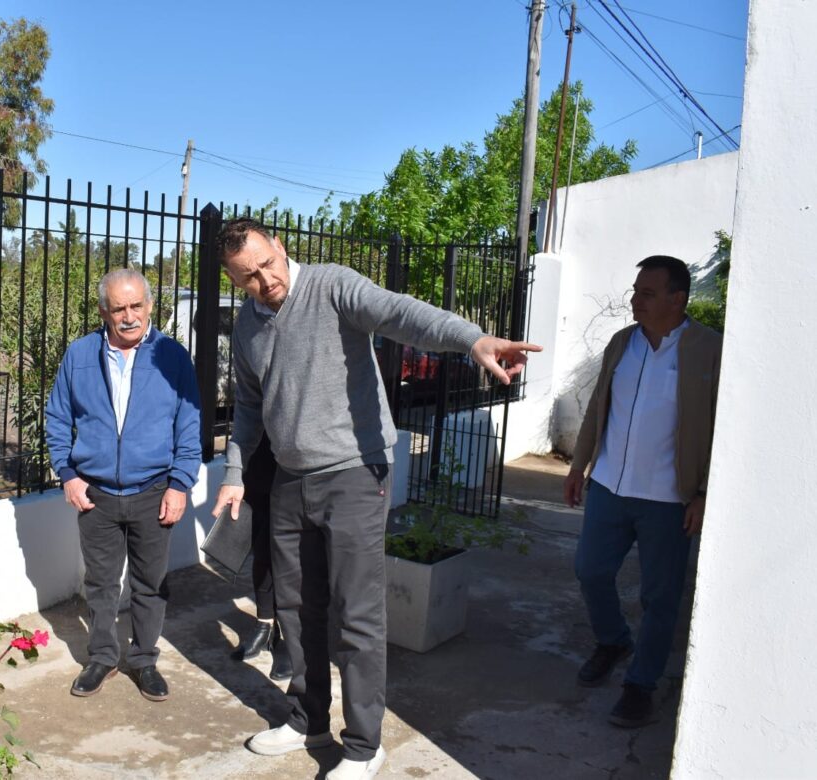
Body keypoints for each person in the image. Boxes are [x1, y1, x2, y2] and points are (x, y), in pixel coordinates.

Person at [210, 218, 540, 779]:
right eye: (248, 278)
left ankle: (364, 746)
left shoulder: (333, 286)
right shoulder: (248, 323)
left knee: (358, 614)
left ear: (281, 248)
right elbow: (248, 403)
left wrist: (473, 340)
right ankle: (306, 718)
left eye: (267, 265)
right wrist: (235, 472)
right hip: (290, 477)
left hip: (353, 473)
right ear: (235, 281)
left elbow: (401, 312)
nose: (264, 281)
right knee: (295, 609)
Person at [563, 255, 722, 728]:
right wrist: (579, 464)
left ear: (678, 298)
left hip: (669, 499)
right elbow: (597, 409)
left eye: (647, 293)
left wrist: (704, 493)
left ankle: (640, 685)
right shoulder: (621, 344)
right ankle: (613, 640)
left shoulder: (709, 350)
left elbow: (724, 426)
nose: (635, 300)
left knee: (660, 597)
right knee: (590, 571)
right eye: (635, 291)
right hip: (610, 485)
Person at [46, 268, 201, 702]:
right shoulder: (80, 355)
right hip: (96, 495)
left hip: (154, 490)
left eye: (136, 306)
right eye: (119, 308)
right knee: (100, 583)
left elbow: (188, 425)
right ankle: (102, 657)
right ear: (104, 311)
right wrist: (69, 474)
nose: (129, 316)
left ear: (150, 306)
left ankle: (144, 659)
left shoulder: (173, 356)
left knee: (150, 584)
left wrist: (180, 484)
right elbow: (57, 417)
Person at [229, 433, 292, 682]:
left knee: (291, 555)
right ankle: (265, 624)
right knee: (261, 547)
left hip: (297, 457)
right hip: (260, 451)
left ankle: (289, 636)